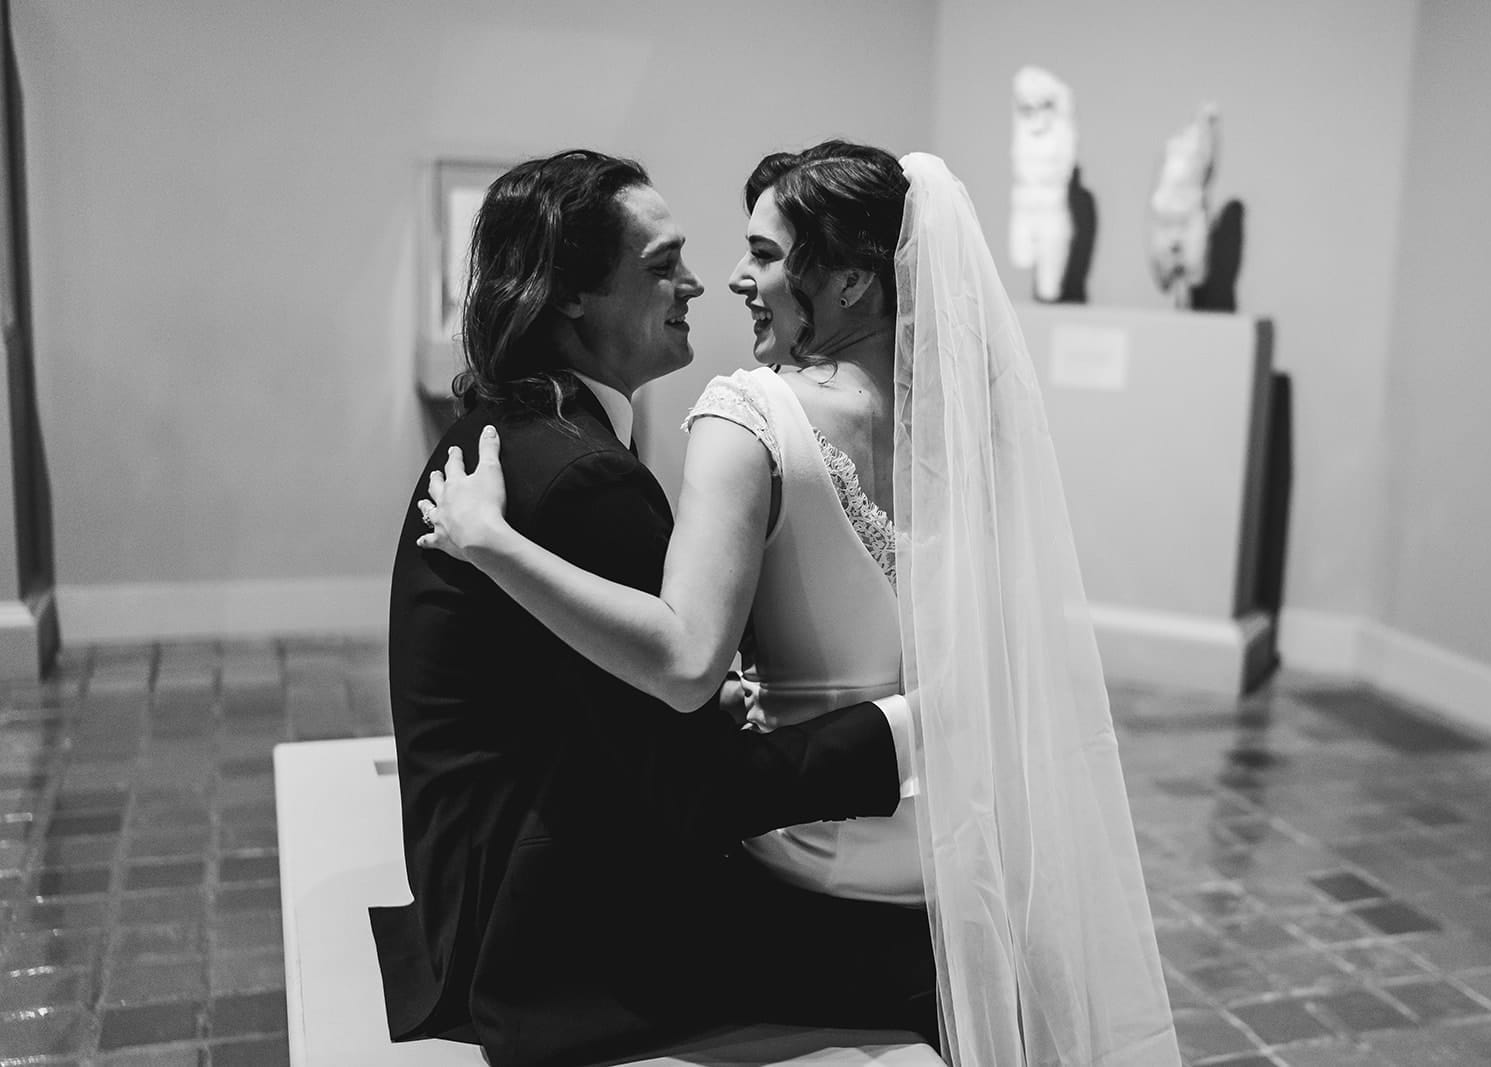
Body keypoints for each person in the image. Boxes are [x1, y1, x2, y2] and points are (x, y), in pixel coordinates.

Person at [422, 142, 1181, 1065]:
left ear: (857, 280)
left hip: (816, 861)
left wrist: (492, 543)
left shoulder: (744, 417)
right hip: (968, 855)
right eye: (680, 263)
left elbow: (685, 660)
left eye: (767, 255)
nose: (731, 280)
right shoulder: (975, 423)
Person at [372, 149, 936, 1067]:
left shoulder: (524, 430)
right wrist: (896, 732)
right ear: (572, 296)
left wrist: (711, 705)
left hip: (483, 879)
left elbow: (584, 699)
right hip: (547, 936)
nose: (698, 282)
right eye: (661, 264)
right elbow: (689, 791)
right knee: (929, 958)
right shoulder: (584, 477)